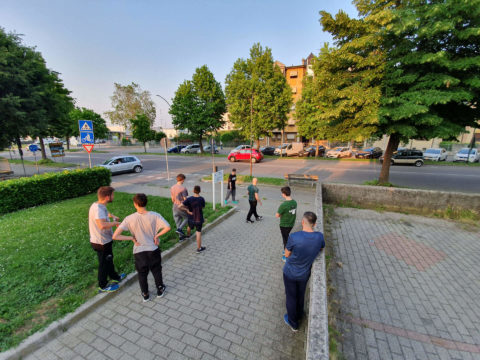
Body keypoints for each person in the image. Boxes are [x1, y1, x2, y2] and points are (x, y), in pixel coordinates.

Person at [113, 193, 170, 302]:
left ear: (135, 204)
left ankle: (145, 294)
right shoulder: (155, 215)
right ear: (146, 202)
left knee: (142, 273)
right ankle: (160, 289)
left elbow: (115, 236)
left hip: (139, 251)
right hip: (153, 249)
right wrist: (156, 235)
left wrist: (131, 238)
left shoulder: (129, 218)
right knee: (156, 270)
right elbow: (167, 227)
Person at [283, 211, 325, 332]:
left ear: (302, 222)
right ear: (314, 224)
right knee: (300, 295)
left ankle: (293, 323)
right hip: (304, 274)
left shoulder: (294, 237)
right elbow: (321, 247)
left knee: (291, 297)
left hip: (290, 273)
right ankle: (300, 314)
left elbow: (286, 254)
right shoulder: (319, 237)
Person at [88, 186, 126, 293]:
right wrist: (116, 223)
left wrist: (112, 216)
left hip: (104, 240)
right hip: (101, 242)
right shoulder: (98, 209)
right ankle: (103, 286)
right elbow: (102, 225)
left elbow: (105, 213)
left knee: (109, 259)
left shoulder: (98, 205)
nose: (114, 196)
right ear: (107, 197)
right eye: (112, 195)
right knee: (104, 263)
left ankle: (115, 277)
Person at [180, 185, 206, 253]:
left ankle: (188, 236)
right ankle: (199, 248)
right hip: (199, 219)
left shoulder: (189, 199)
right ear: (200, 191)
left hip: (191, 218)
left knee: (189, 226)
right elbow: (203, 207)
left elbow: (180, 206)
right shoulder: (202, 199)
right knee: (198, 232)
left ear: (193, 191)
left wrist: (187, 210)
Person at [276, 186, 297, 262]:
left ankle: (286, 255)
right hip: (291, 224)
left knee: (285, 240)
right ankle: (286, 250)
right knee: (287, 237)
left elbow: (277, 215)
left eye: (282, 193)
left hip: (284, 225)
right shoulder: (294, 202)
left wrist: (281, 215)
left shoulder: (283, 205)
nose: (282, 194)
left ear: (284, 194)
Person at [170, 173, 189, 240]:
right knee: (187, 218)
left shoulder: (172, 187)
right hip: (181, 206)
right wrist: (187, 208)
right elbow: (185, 200)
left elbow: (172, 199)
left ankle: (181, 238)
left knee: (178, 221)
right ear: (182, 179)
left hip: (174, 206)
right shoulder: (183, 188)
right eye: (184, 180)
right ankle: (180, 229)